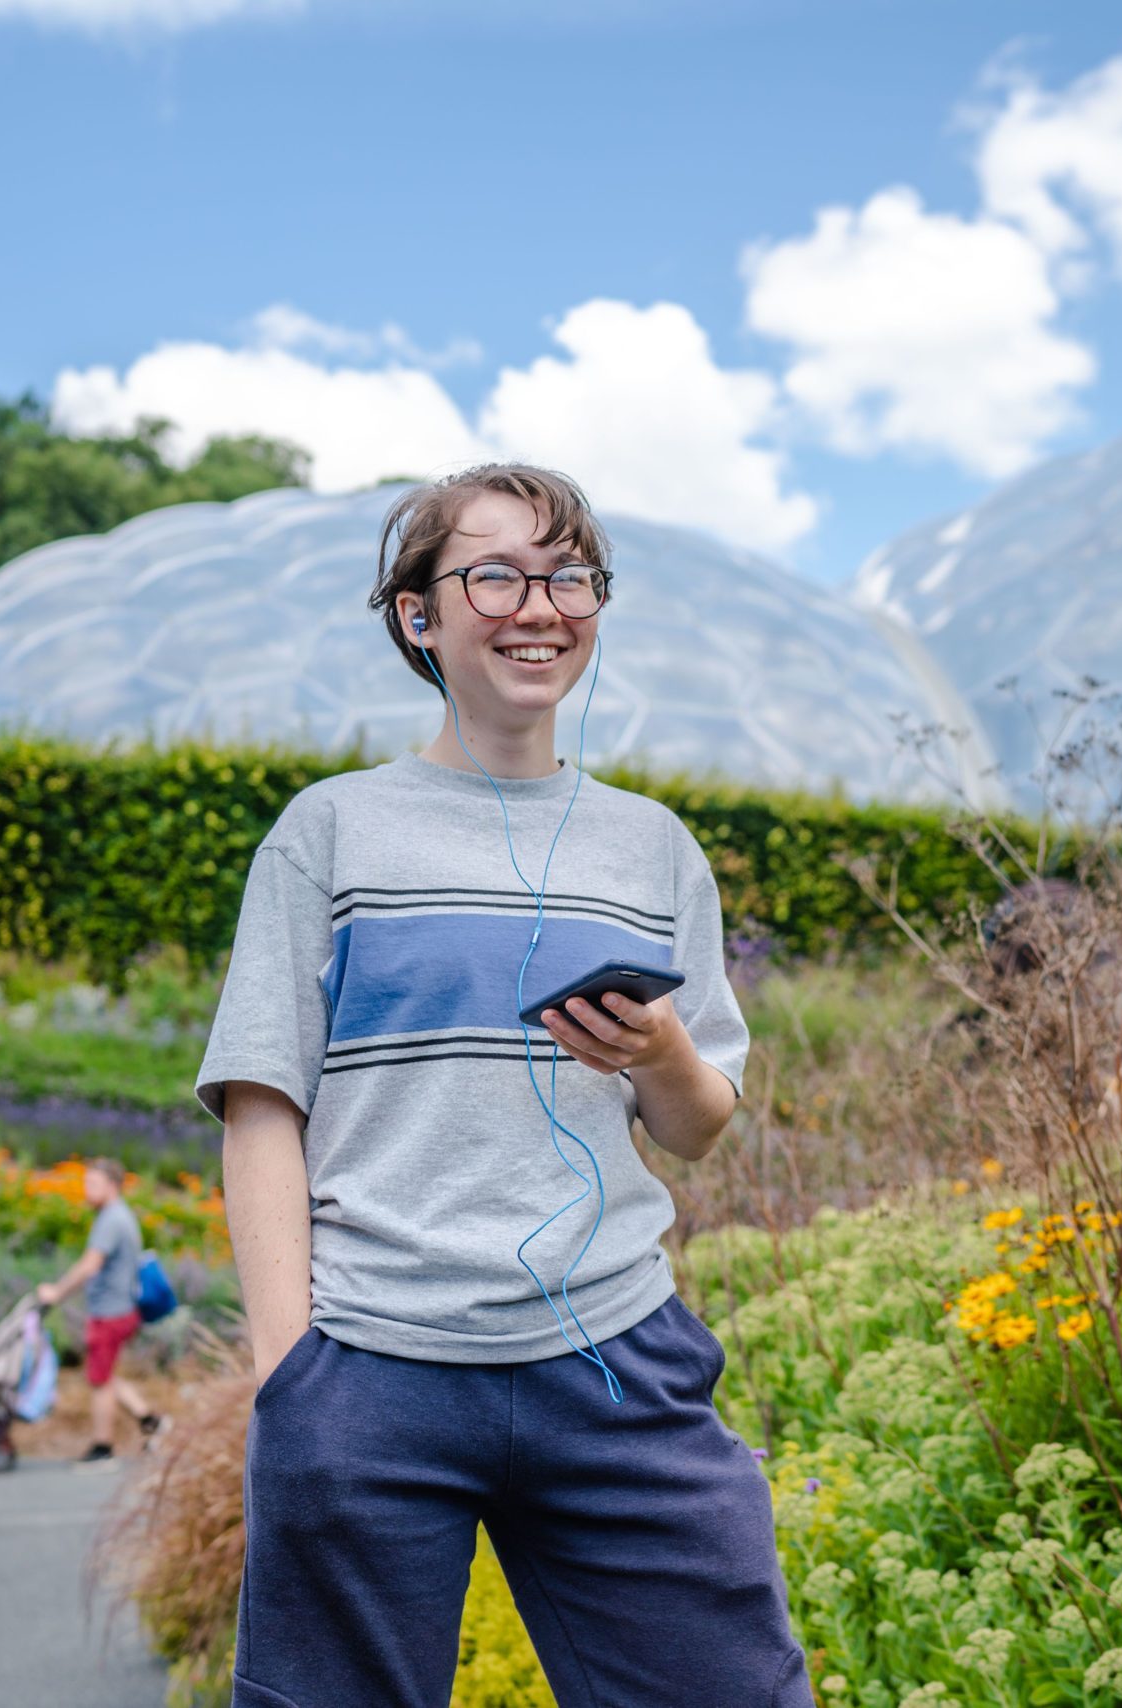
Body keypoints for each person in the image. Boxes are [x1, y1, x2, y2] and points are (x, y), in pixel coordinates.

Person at [196, 463, 810, 1707]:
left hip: (614, 1362)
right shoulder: (329, 832)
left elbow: (695, 1129)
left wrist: (661, 1053)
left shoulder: (651, 846)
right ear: (418, 615)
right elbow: (264, 1109)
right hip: (372, 1369)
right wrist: (289, 1375)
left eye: (569, 575)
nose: (540, 603)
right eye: (496, 573)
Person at [37, 1156, 163, 1465]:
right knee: (104, 1374)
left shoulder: (111, 1219)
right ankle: (151, 1420)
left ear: (112, 1185)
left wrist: (57, 1292)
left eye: (92, 1183)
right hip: (120, 1309)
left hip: (111, 1312)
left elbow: (90, 1265)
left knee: (99, 1380)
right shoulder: (120, 1216)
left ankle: (102, 1448)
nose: (85, 1190)